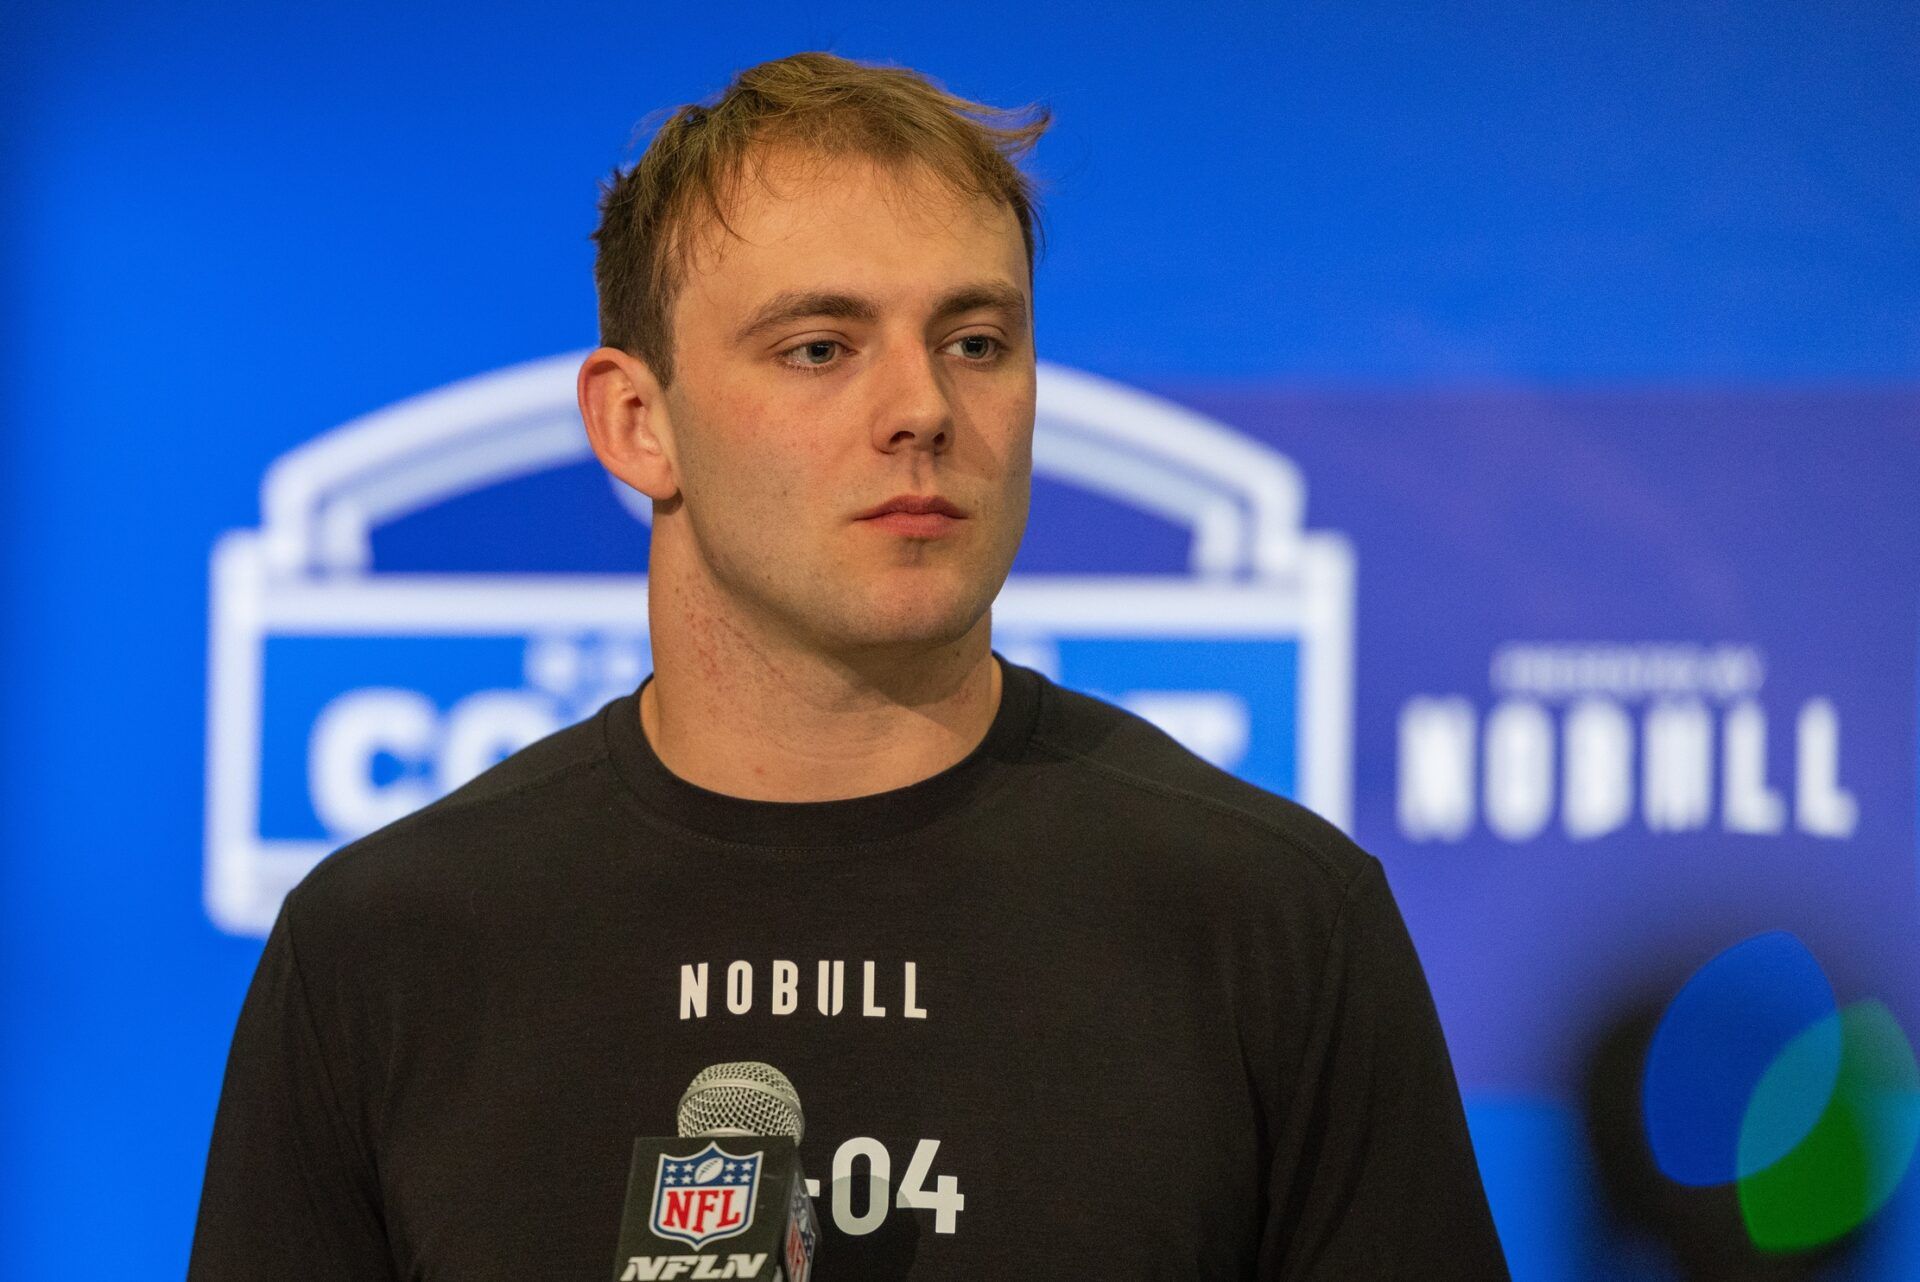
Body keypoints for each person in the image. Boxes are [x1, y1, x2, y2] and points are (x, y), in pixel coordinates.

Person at [188, 51, 1508, 1280]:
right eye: (821, 347)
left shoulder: (1273, 919)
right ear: (639, 422)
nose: (923, 408)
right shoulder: (383, 951)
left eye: (975, 341)